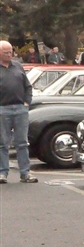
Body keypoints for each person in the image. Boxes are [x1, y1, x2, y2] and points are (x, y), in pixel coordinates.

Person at [0, 40, 37, 183]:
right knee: (3, 143)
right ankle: (2, 173)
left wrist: (27, 102)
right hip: (2, 109)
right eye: (5, 52)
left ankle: (25, 173)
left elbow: (27, 86)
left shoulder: (18, 66)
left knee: (22, 142)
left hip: (20, 108)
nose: (9, 54)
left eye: (10, 52)